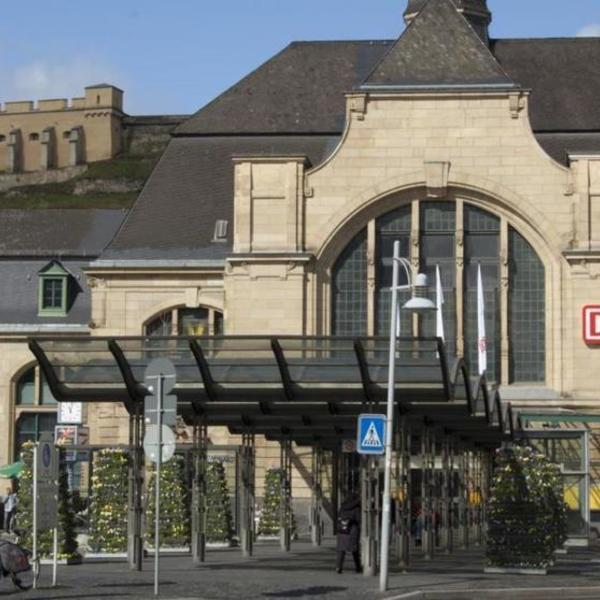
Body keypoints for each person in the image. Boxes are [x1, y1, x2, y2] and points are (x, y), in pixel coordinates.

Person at [336, 494, 362, 574]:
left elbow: (339, 516)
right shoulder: (357, 508)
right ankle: (358, 567)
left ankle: (338, 567)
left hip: (342, 532)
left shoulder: (343, 506)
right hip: (352, 531)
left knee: (341, 550)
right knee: (355, 550)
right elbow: (358, 519)